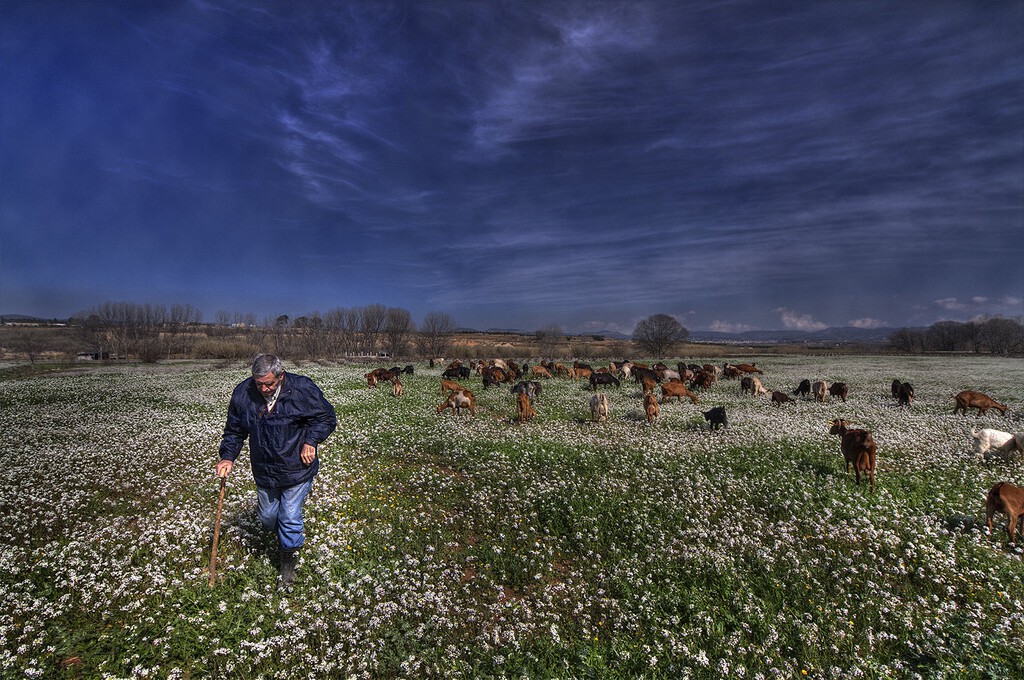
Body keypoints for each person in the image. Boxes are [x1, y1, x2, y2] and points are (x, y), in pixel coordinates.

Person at [216, 354, 337, 589]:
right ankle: (285, 538)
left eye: (269, 384)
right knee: (268, 517)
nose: (264, 389)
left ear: (281, 376)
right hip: (265, 470)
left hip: (296, 467)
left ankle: (288, 567)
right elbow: (234, 430)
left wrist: (311, 441)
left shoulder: (301, 389)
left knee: (289, 516)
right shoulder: (243, 393)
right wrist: (227, 457)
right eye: (259, 384)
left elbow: (326, 417)